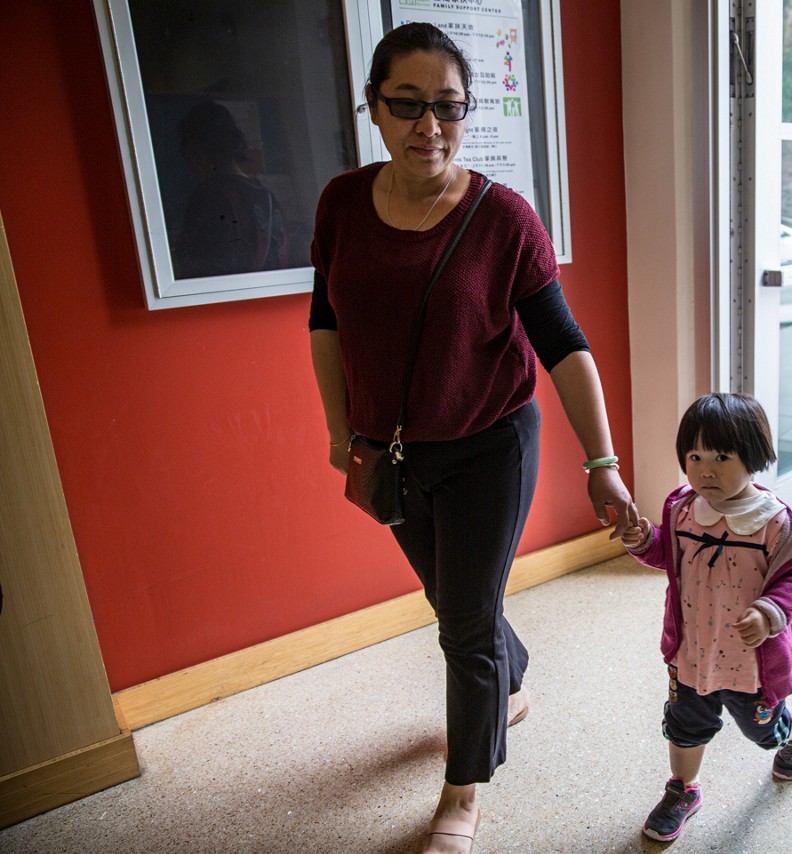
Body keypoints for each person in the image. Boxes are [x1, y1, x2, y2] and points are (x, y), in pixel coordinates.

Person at [307, 22, 638, 854]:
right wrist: (340, 427)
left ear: (467, 111)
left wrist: (602, 464)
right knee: (457, 600)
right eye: (408, 105)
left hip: (493, 443)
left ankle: (466, 786)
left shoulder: (504, 220)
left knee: (460, 623)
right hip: (393, 452)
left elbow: (563, 346)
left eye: (447, 107)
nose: (429, 126)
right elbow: (325, 319)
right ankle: (512, 676)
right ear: (374, 108)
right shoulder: (342, 203)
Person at [621, 393, 792, 842]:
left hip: (750, 665)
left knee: (766, 734)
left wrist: (770, 612)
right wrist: (642, 539)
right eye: (694, 456)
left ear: (754, 457)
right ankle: (683, 789)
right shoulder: (683, 509)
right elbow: (666, 555)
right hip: (691, 654)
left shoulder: (775, 522)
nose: (705, 470)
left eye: (721, 457)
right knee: (685, 725)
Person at [174, 100, 287, 278]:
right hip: (266, 298)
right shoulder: (266, 196)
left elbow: (195, 267)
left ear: (195, 149)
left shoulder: (208, 196)